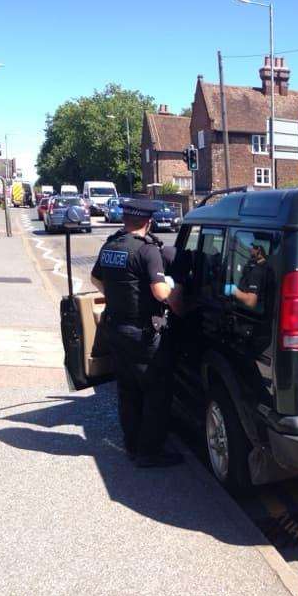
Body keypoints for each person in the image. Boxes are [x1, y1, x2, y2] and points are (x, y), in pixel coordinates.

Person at [90, 199, 184, 468]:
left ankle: (132, 445)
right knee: (156, 392)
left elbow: (96, 280)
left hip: (115, 328)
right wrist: (175, 290)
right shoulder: (147, 251)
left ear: (125, 220)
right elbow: (160, 293)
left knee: (128, 390)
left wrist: (118, 297)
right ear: (148, 222)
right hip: (142, 334)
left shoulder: (110, 246)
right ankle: (150, 452)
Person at [224, 243, 268, 309]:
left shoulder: (257, 270)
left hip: (245, 311)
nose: (250, 249)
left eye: (253, 247)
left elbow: (251, 302)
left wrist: (232, 290)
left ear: (258, 250)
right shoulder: (261, 265)